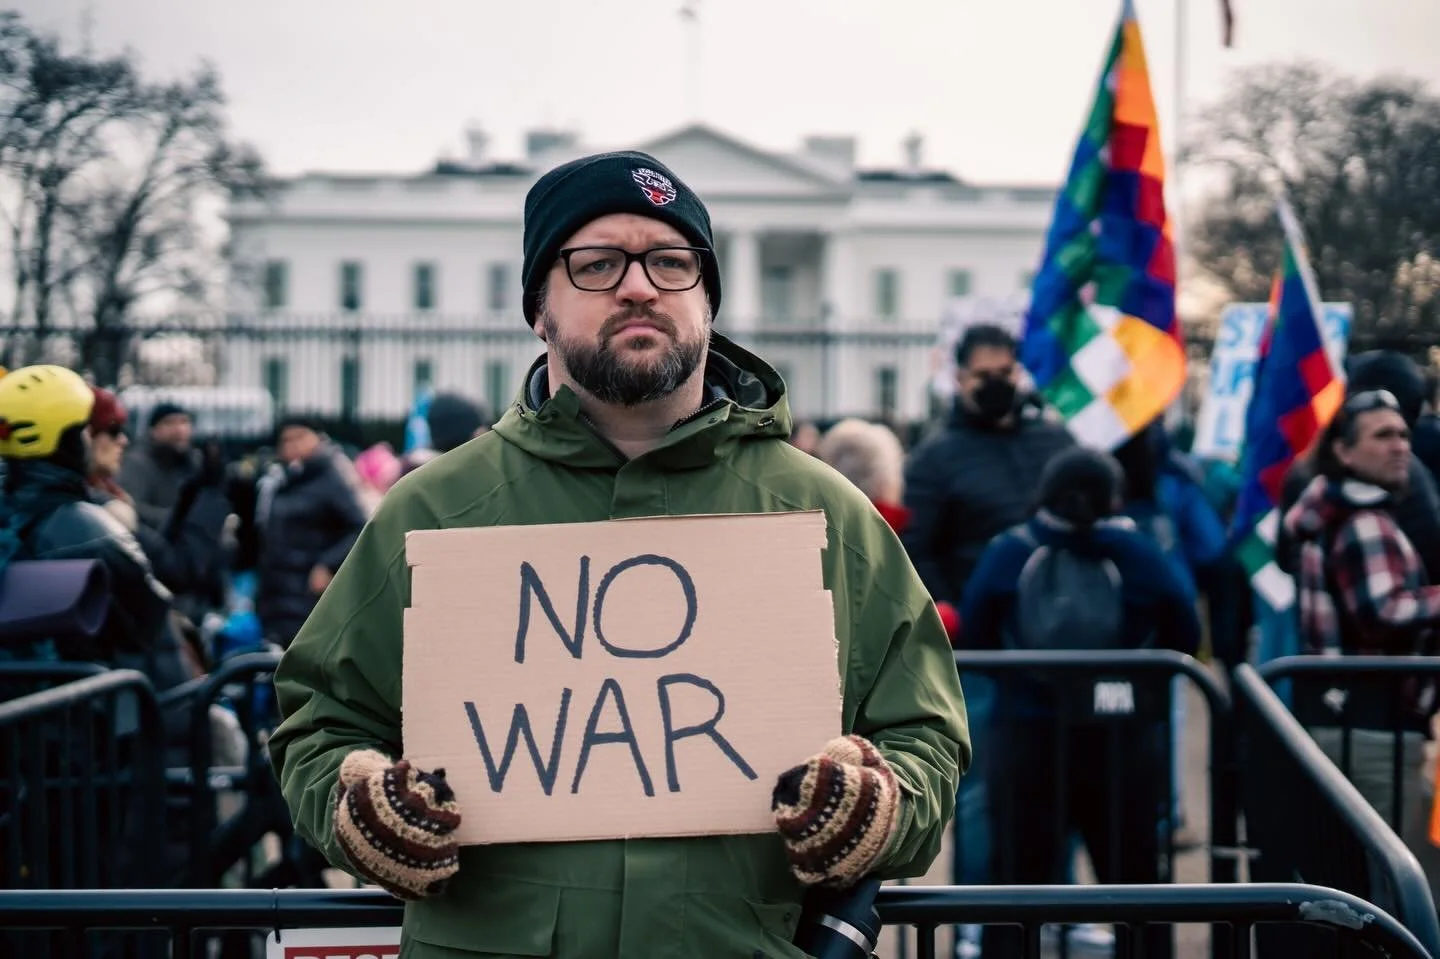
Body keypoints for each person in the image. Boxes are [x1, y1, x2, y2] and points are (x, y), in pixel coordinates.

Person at [269, 150, 969, 958]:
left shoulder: (825, 515)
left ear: (706, 298)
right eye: (597, 263)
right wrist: (359, 806)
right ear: (539, 306)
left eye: (671, 263)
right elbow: (317, 720)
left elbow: (928, 736)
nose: (639, 286)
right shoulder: (433, 511)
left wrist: (879, 806)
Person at [961, 447, 1200, 959]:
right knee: (1136, 882)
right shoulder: (1138, 552)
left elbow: (976, 631)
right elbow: (1186, 626)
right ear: (1114, 495)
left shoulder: (1012, 550)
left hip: (1028, 737)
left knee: (1017, 884)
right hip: (1119, 737)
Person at [900, 322, 1072, 932]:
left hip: (1055, 649)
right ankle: (974, 918)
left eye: (1006, 375)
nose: (996, 386)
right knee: (979, 791)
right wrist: (947, 610)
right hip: (979, 654)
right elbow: (915, 546)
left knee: (1061, 778)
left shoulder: (1054, 443)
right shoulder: (936, 458)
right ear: (959, 377)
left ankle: (1061, 910)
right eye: (984, 376)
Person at [1284, 387, 1440, 903]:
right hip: (1372, 727)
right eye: (1383, 436)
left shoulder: (1329, 510)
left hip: (1343, 718)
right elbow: (1382, 612)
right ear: (1345, 452)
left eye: (1403, 435)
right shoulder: (1365, 519)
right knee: (1387, 896)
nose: (1401, 447)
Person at [0, 366, 193, 691]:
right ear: (68, 439)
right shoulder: (93, 530)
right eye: (88, 431)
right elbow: (149, 617)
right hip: (87, 726)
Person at [253, 417, 370, 648]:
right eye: (286, 440)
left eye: (300, 437)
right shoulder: (278, 481)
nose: (293, 445)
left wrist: (327, 564)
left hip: (309, 596)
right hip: (276, 596)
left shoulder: (331, 478)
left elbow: (359, 527)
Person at [117, 400, 200, 530]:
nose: (179, 429)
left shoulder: (194, 462)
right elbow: (133, 508)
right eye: (169, 423)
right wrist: (180, 519)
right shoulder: (137, 464)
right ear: (153, 431)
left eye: (184, 422)